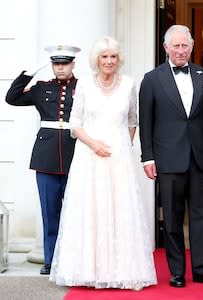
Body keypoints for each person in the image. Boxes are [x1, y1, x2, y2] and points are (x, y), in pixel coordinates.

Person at [49, 37, 157, 290]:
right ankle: (88, 269)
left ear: (119, 59)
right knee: (91, 210)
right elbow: (75, 124)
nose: (109, 61)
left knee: (120, 211)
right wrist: (94, 144)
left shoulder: (129, 84)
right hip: (89, 156)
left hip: (118, 158)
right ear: (96, 60)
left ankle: (122, 270)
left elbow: (133, 121)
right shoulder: (85, 84)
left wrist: (123, 146)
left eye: (113, 57)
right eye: (104, 57)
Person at [139, 25, 203, 288]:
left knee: (201, 216)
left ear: (192, 46)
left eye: (184, 45)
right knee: (173, 219)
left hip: (199, 157)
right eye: (175, 46)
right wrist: (148, 157)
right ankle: (177, 271)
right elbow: (146, 121)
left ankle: (202, 269)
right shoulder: (152, 79)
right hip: (167, 158)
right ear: (166, 48)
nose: (180, 50)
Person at [5, 45, 80, 275]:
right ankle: (50, 259)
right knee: (50, 212)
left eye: (64, 63)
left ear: (73, 64)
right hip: (46, 157)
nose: (60, 67)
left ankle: (73, 259)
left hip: (76, 155)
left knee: (75, 211)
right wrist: (30, 72)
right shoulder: (41, 88)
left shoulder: (84, 88)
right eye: (56, 63)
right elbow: (12, 98)